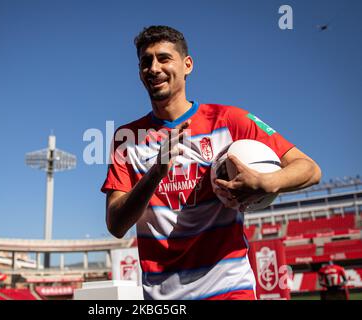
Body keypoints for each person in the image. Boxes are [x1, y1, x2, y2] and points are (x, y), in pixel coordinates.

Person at [101, 25, 322, 300]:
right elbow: (116, 224)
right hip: (162, 296)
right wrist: (156, 172)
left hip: (229, 288)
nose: (154, 68)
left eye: (164, 58)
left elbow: (309, 169)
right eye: (146, 61)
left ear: (187, 65)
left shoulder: (229, 120)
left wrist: (267, 182)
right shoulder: (127, 139)